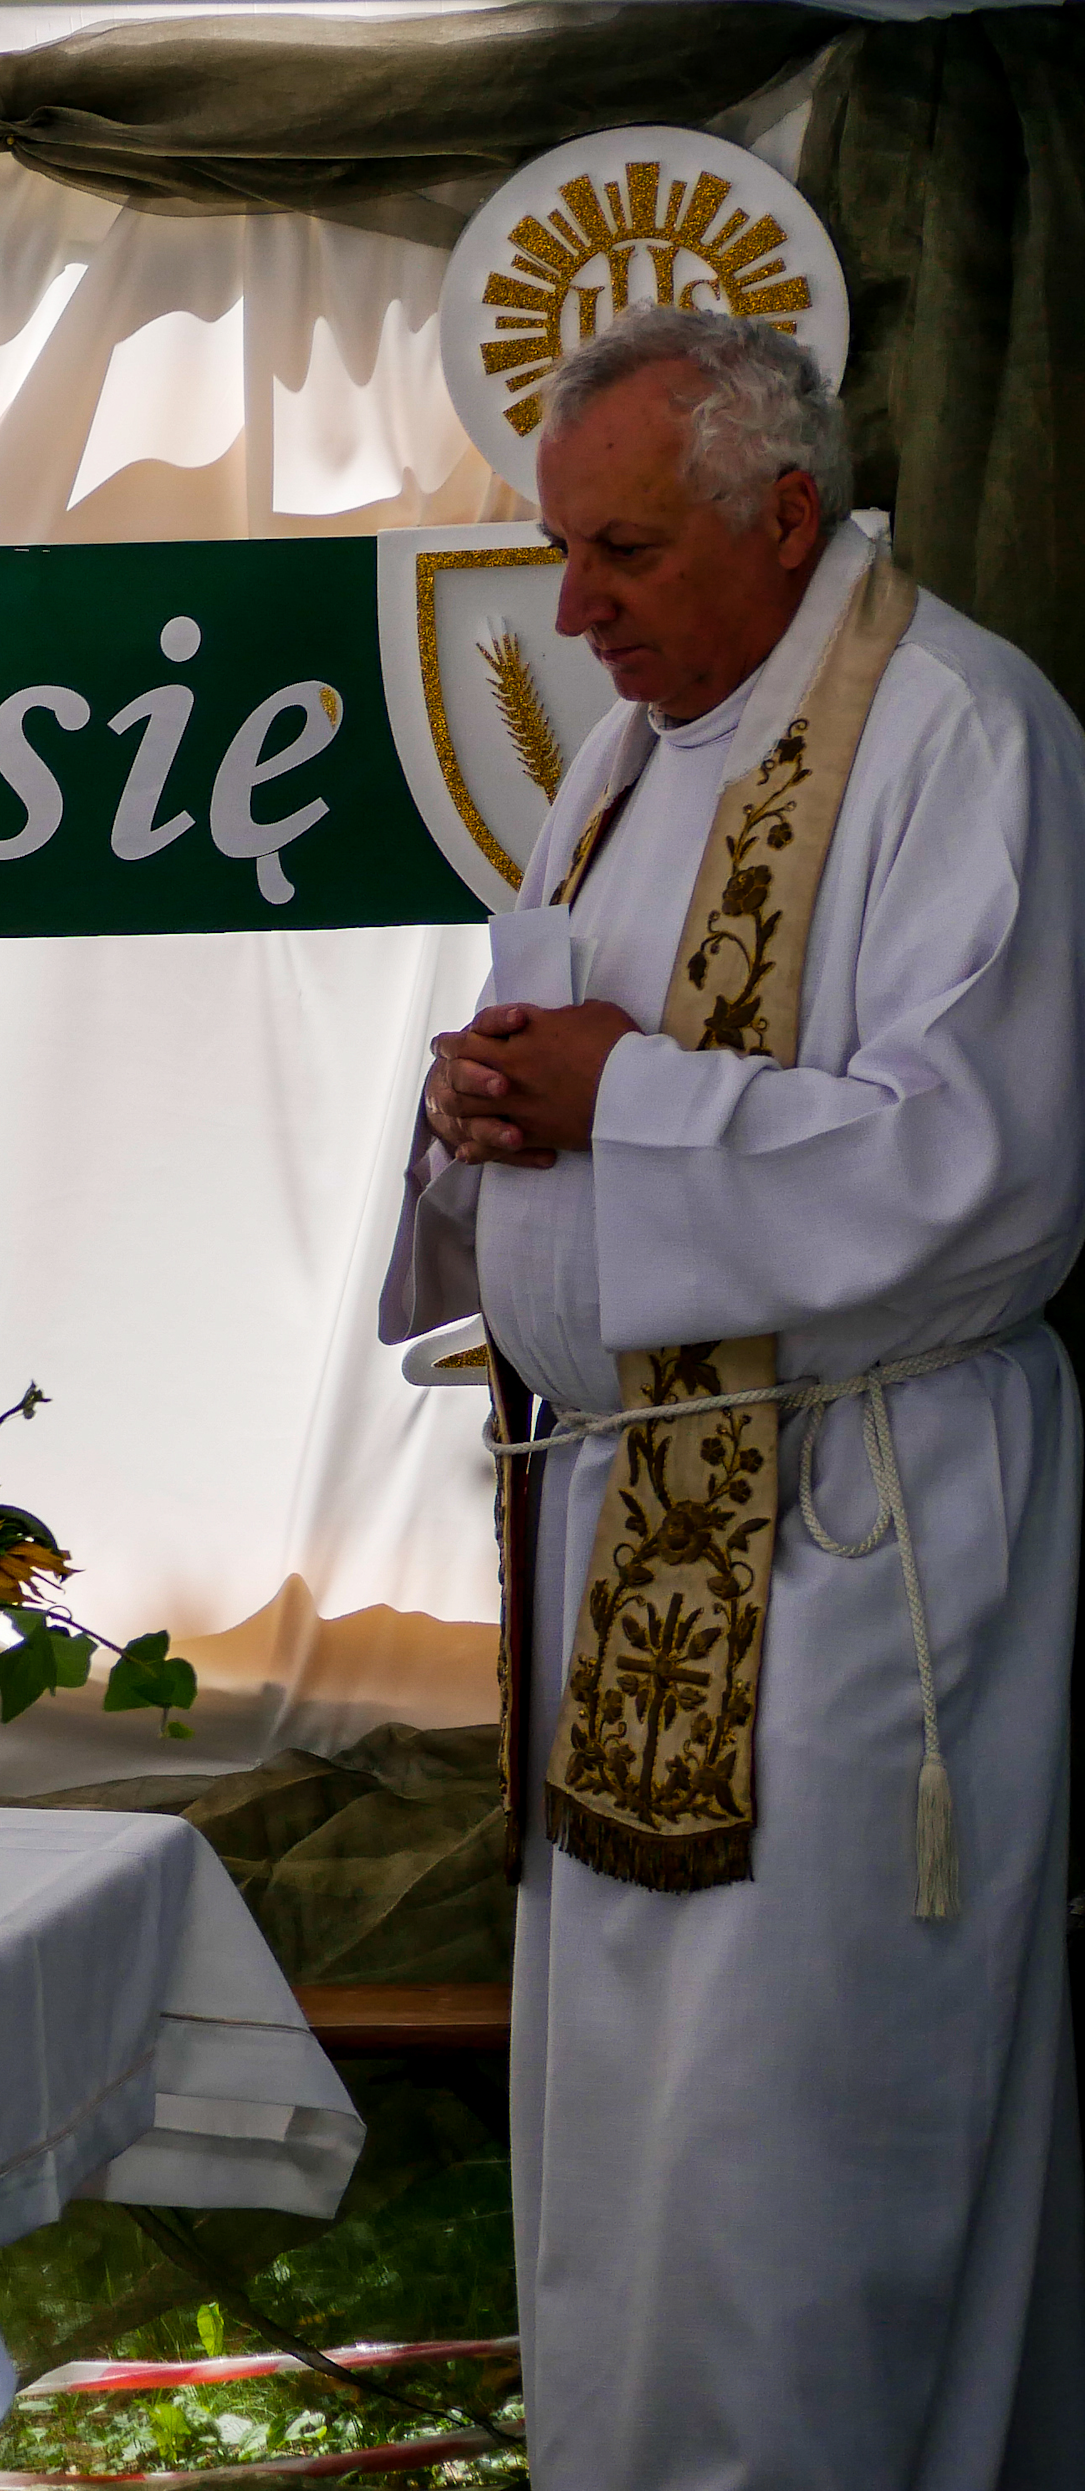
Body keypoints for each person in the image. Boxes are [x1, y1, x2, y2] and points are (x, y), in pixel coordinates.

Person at [386, 308, 1085, 2487]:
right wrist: (488, 1107)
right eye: (561, 556)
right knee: (635, 2142)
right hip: (634, 1527)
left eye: (620, 554)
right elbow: (570, 1045)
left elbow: (987, 1170)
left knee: (807, 2128)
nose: (575, 613)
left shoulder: (957, 729)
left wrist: (632, 1102)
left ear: (783, 519)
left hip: (856, 1534)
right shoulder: (636, 746)